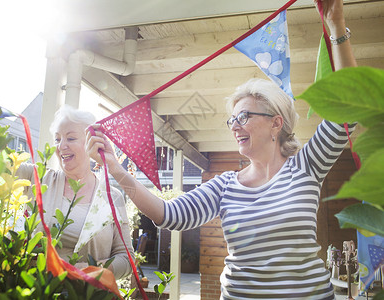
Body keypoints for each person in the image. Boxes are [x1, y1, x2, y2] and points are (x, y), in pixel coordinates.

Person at [85, 0, 357, 298]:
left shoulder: (305, 166)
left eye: (243, 117)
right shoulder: (225, 185)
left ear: (275, 124)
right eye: (232, 120)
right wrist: (116, 168)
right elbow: (169, 214)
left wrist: (336, 25)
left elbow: (348, 111)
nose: (234, 126)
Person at [0, 105, 135, 280]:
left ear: (91, 144)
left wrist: (86, 270)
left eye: (70, 138)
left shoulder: (113, 197)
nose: (61, 145)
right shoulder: (36, 178)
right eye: (57, 139)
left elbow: (126, 259)